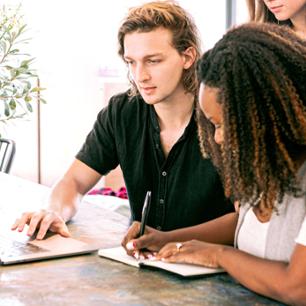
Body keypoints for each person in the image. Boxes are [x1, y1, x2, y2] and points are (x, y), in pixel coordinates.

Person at [11, 1, 233, 240]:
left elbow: (247, 221)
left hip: (216, 269)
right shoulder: (122, 112)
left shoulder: (225, 116)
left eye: (153, 61)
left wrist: (167, 240)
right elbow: (74, 181)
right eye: (131, 62)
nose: (140, 76)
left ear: (187, 56)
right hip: (144, 263)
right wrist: (54, 212)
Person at [123, 23, 306, 304]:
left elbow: (297, 287)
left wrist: (219, 255)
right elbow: (243, 225)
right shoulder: (267, 168)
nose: (218, 138)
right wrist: (168, 238)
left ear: (268, 114)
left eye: (224, 125)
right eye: (213, 125)